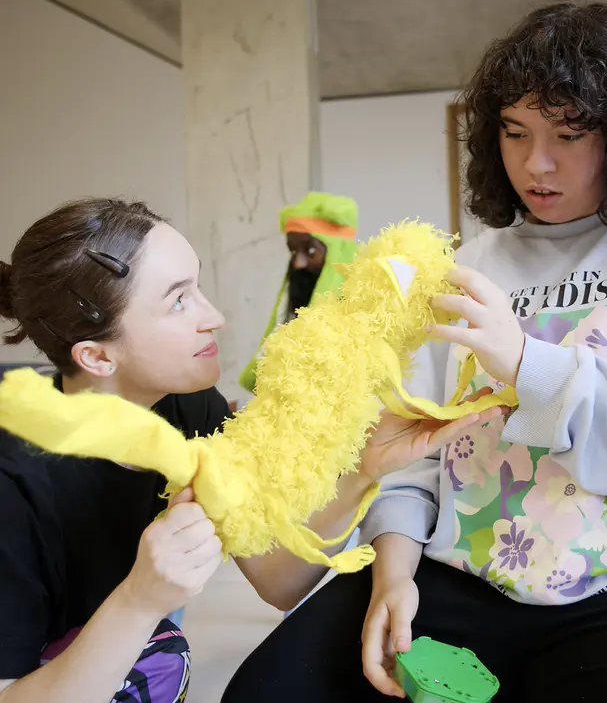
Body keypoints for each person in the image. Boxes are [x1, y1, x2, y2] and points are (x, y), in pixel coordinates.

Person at [222, 2, 607, 703]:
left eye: (568, 134)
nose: (535, 164)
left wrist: (529, 364)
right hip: (468, 572)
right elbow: (413, 451)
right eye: (514, 132)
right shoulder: (474, 261)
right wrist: (394, 572)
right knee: (269, 690)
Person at [0, 198, 480, 702]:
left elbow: (278, 581)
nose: (217, 318)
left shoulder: (189, 408)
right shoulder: (14, 488)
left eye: (197, 288)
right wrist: (140, 602)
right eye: (178, 301)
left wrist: (361, 472)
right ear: (97, 356)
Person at [239, 191, 359, 394]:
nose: (298, 263)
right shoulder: (293, 313)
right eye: (293, 252)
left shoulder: (371, 316)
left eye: (311, 251)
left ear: (338, 255)